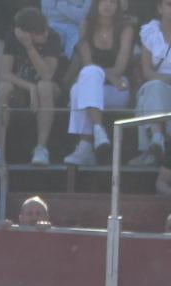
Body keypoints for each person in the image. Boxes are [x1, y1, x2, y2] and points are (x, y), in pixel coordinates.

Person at [0, 7, 63, 168]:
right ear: (25, 33)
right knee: (3, 88)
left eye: (44, 30)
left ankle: (41, 148)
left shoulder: (53, 37)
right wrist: (30, 87)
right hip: (22, 87)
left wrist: (30, 48)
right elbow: (5, 73)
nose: (44, 34)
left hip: (50, 88)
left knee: (44, 86)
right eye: (39, 32)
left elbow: (47, 75)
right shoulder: (13, 38)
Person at [63, 0, 135, 166]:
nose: (108, 5)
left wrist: (104, 75)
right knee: (78, 87)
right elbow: (88, 64)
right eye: (104, 1)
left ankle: (86, 144)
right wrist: (105, 75)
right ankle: (97, 131)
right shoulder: (86, 26)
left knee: (83, 85)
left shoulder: (126, 28)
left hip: (117, 89)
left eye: (112, 2)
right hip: (98, 83)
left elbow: (119, 68)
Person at [129, 0, 171, 165]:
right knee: (154, 89)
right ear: (160, 8)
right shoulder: (150, 31)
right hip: (155, 84)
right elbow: (147, 71)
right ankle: (157, 141)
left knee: (151, 93)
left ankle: (151, 148)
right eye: (169, 4)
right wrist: (165, 81)